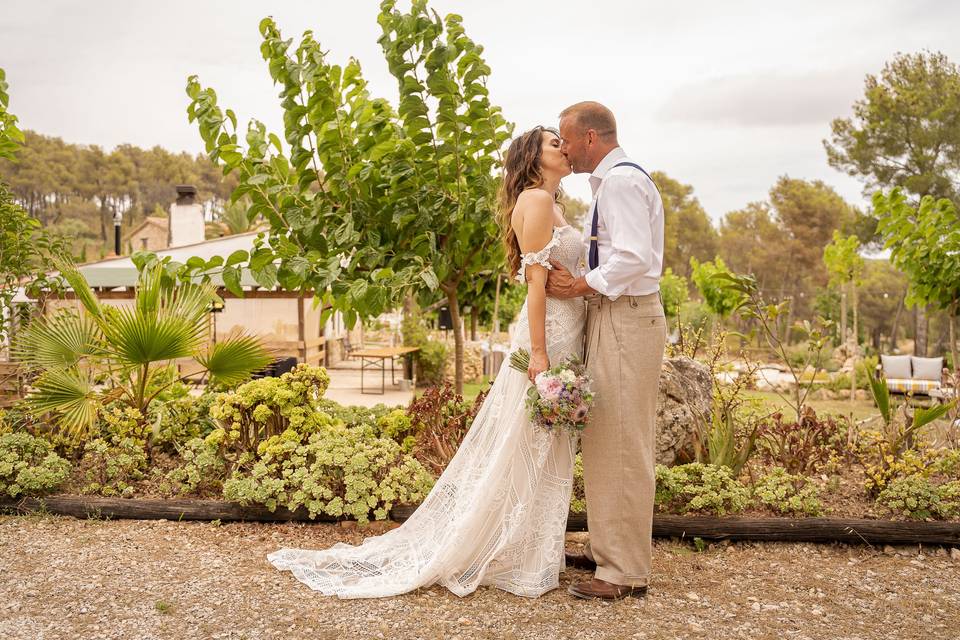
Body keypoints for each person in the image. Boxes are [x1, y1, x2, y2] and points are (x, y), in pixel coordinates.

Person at [267, 126, 587, 599]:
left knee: (541, 443)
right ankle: (505, 550)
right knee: (524, 440)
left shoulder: (552, 201)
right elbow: (535, 284)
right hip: (548, 334)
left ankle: (527, 548)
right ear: (532, 158)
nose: (563, 146)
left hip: (567, 329)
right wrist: (539, 354)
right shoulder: (537, 202)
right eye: (552, 143)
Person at [546, 101, 666, 601]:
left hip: (627, 315)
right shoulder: (612, 184)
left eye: (566, 139)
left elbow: (634, 258)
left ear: (590, 138)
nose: (564, 149)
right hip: (620, 315)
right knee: (606, 438)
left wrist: (580, 287)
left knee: (621, 440)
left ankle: (622, 572)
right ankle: (607, 546)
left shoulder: (619, 183)